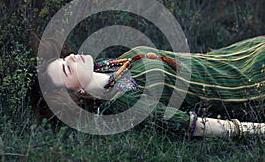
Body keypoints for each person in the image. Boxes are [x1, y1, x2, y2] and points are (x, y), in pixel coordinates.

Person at [36, 34, 265, 138]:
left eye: (66, 57)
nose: (73, 57)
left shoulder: (108, 66)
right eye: (67, 68)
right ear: (77, 94)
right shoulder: (124, 104)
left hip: (234, 58)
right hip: (241, 85)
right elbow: (194, 126)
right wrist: (256, 130)